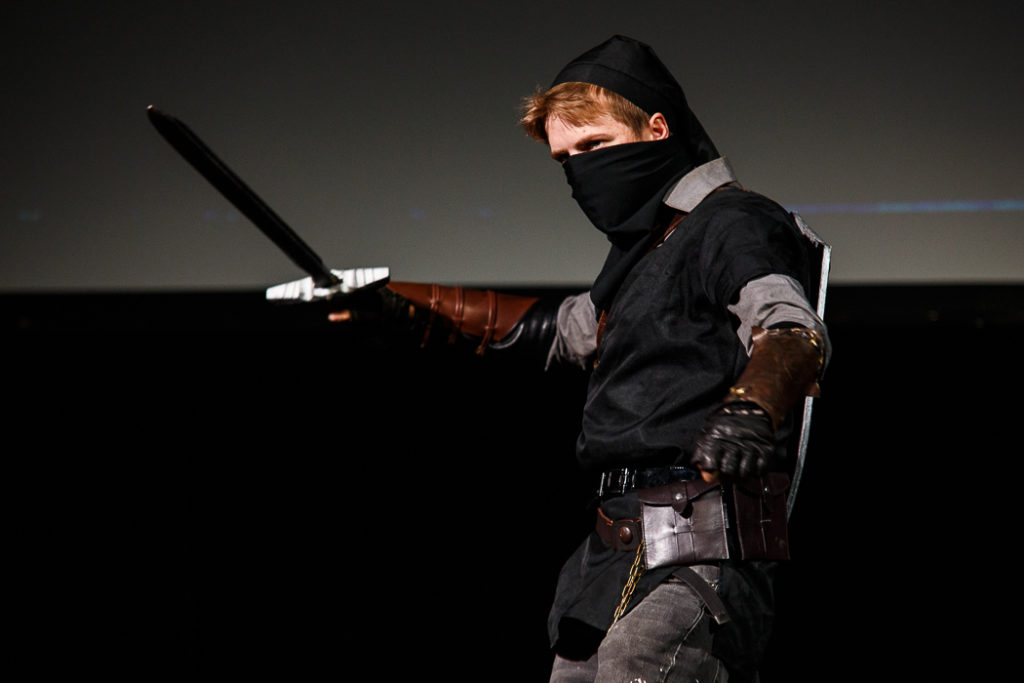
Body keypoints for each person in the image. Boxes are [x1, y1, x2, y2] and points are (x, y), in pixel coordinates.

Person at [332, 35, 829, 683]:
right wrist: (399, 304)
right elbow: (557, 331)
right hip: (615, 547)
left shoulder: (732, 222)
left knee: (638, 660)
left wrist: (751, 409)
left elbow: (792, 329)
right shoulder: (643, 255)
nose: (580, 171)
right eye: (566, 159)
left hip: (701, 540)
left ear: (657, 128)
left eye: (594, 146)